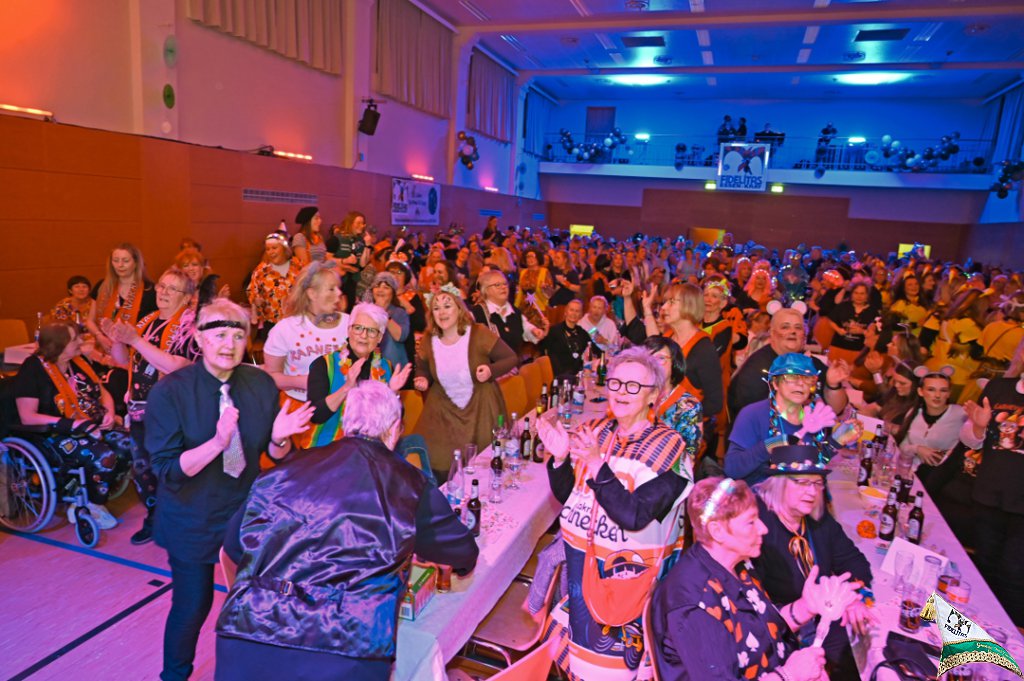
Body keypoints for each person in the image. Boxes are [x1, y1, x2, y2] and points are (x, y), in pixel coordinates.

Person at [214, 381, 478, 680]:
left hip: (249, 635)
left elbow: (234, 546)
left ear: (345, 424)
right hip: (343, 649)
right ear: (394, 429)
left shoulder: (283, 470)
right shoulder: (409, 484)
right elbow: (461, 551)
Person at [145, 299, 314, 681]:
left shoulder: (259, 385)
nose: (229, 344)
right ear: (197, 337)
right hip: (191, 516)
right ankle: (174, 676)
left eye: (239, 336)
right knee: (192, 605)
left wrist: (280, 438)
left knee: (253, 605)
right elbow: (168, 471)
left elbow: (274, 454)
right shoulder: (170, 393)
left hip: (243, 515)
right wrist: (216, 444)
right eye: (219, 334)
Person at [539, 346, 692, 680]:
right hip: (582, 574)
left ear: (654, 395)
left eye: (634, 386)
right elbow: (573, 496)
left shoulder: (672, 449)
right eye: (616, 383)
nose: (622, 392)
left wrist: (596, 463)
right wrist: (561, 459)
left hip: (629, 586)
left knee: (616, 670)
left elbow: (633, 516)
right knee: (581, 665)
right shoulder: (599, 430)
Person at [649, 476, 858, 681]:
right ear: (717, 531)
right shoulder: (695, 607)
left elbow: (761, 632)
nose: (763, 529)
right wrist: (790, 674)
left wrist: (805, 607)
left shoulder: (737, 565)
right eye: (751, 522)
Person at [752, 446, 874, 681]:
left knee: (865, 652)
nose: (812, 491)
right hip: (780, 635)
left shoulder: (817, 520)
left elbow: (856, 562)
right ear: (779, 483)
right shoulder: (760, 528)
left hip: (823, 623)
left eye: (817, 483)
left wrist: (852, 598)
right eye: (802, 482)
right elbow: (755, 609)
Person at [105, 267, 199, 545]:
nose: (163, 292)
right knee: (144, 470)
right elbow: (124, 361)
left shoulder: (191, 327)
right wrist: (117, 340)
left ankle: (186, 521)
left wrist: (134, 339)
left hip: (173, 413)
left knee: (175, 469)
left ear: (187, 297)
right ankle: (155, 518)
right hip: (139, 410)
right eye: (161, 286)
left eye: (172, 288)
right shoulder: (147, 321)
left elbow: (175, 366)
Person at [13, 321, 132, 530]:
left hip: (90, 424)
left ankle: (89, 493)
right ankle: (92, 502)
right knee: (103, 455)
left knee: (130, 444)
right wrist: (72, 424)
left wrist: (109, 411)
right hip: (55, 433)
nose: (80, 341)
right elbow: (27, 416)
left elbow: (101, 390)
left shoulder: (77, 361)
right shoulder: (33, 369)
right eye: (74, 339)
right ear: (58, 345)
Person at [413, 285, 516, 482]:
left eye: (447, 306)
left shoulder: (479, 333)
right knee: (439, 466)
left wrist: (491, 371)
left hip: (481, 409)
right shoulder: (428, 340)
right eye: (436, 308)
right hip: (443, 411)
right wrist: (423, 378)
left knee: (482, 467)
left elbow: (510, 358)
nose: (442, 312)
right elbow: (422, 366)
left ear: (459, 309)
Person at [959, 339, 1024, 626]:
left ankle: (1011, 640)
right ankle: (975, 630)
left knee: (1014, 575)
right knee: (983, 567)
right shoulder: (998, 389)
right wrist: (978, 425)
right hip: (989, 495)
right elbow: (969, 441)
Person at [262, 261, 350, 447]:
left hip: (343, 411)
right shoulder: (286, 329)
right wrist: (306, 382)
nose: (339, 293)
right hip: (299, 411)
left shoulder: (351, 325)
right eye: (331, 289)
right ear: (312, 293)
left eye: (338, 288)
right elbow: (270, 376)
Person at [306, 302, 410, 447]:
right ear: (349, 330)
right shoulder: (324, 364)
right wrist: (346, 388)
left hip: (369, 450)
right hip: (328, 449)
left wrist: (393, 392)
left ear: (380, 338)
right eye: (358, 328)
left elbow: (395, 420)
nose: (364, 335)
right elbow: (315, 415)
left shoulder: (385, 367)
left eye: (371, 331)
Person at [726, 353, 838, 486]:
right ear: (775, 383)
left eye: (807, 378)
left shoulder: (815, 417)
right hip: (762, 495)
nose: (800, 383)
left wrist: (837, 441)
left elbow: (815, 464)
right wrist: (769, 446)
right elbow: (732, 469)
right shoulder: (753, 414)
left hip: (803, 493)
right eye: (791, 377)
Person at [728, 306, 849, 419]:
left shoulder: (811, 362)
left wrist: (833, 385)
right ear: (772, 333)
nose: (793, 331)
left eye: (798, 327)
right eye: (785, 327)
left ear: (804, 335)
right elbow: (754, 417)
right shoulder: (757, 368)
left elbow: (836, 409)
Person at [642, 282, 724, 425]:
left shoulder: (703, 349)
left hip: (687, 429)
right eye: (665, 302)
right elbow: (654, 343)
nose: (663, 307)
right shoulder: (669, 336)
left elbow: (715, 403)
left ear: (689, 305)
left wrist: (679, 415)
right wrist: (647, 309)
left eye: (671, 302)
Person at [645, 336, 703, 471]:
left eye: (661, 358)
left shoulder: (689, 406)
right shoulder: (637, 394)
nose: (653, 363)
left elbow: (688, 459)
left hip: (665, 474)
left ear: (674, 364)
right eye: (648, 358)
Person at [86, 243, 157, 352]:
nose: (120, 265)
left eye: (126, 261)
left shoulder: (150, 289)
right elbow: (90, 321)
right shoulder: (103, 286)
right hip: (105, 348)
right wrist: (99, 336)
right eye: (116, 260)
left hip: (135, 351)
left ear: (136, 263)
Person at [896, 365, 965, 470]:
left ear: (949, 393)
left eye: (943, 390)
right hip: (910, 470)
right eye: (931, 389)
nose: (937, 395)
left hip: (941, 473)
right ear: (920, 391)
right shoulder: (914, 412)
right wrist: (917, 449)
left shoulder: (960, 414)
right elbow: (902, 447)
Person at [470, 268, 548, 357]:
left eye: (505, 284)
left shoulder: (515, 312)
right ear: (486, 290)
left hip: (514, 363)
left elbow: (528, 329)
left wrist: (537, 332)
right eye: (497, 285)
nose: (503, 287)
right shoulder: (476, 313)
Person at [246, 232, 302, 340]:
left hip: (296, 322)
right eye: (268, 249)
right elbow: (252, 290)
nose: (271, 252)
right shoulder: (261, 270)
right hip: (272, 324)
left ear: (284, 248)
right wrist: (256, 300)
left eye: (274, 248)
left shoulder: (297, 265)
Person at [364, 271, 412, 370]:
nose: (380, 290)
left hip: (393, 366)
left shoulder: (399, 312)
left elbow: (400, 336)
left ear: (393, 293)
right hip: (368, 364)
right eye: (377, 286)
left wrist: (383, 313)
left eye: (386, 287)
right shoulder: (364, 311)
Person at [541, 298, 601, 378]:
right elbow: (542, 348)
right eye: (571, 310)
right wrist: (544, 334)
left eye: (577, 311)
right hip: (559, 376)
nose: (574, 313)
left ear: (581, 315)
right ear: (566, 312)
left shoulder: (581, 333)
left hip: (577, 375)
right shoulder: (555, 330)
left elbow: (597, 351)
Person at [827, 282, 880, 366]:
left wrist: (862, 331)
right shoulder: (843, 306)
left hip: (858, 350)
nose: (859, 296)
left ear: (867, 295)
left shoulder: (873, 312)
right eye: (856, 293)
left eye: (862, 294)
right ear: (852, 294)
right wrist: (838, 330)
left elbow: (876, 333)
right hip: (838, 346)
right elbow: (830, 320)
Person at [515, 247, 553, 312]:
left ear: (538, 258)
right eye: (528, 257)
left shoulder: (544, 271)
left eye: (532, 256)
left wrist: (545, 288)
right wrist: (516, 306)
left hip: (539, 307)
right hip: (524, 307)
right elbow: (520, 291)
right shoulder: (523, 272)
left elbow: (550, 293)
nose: (530, 259)